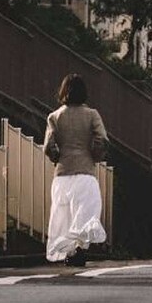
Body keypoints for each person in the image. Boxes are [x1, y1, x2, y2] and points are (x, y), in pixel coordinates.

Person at [43, 73, 108, 267]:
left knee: (63, 216)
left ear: (63, 92)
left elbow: (48, 146)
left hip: (62, 175)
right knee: (85, 215)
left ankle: (68, 252)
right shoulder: (92, 115)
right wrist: (94, 156)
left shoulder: (55, 116)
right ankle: (79, 250)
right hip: (85, 173)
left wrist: (58, 158)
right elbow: (102, 139)